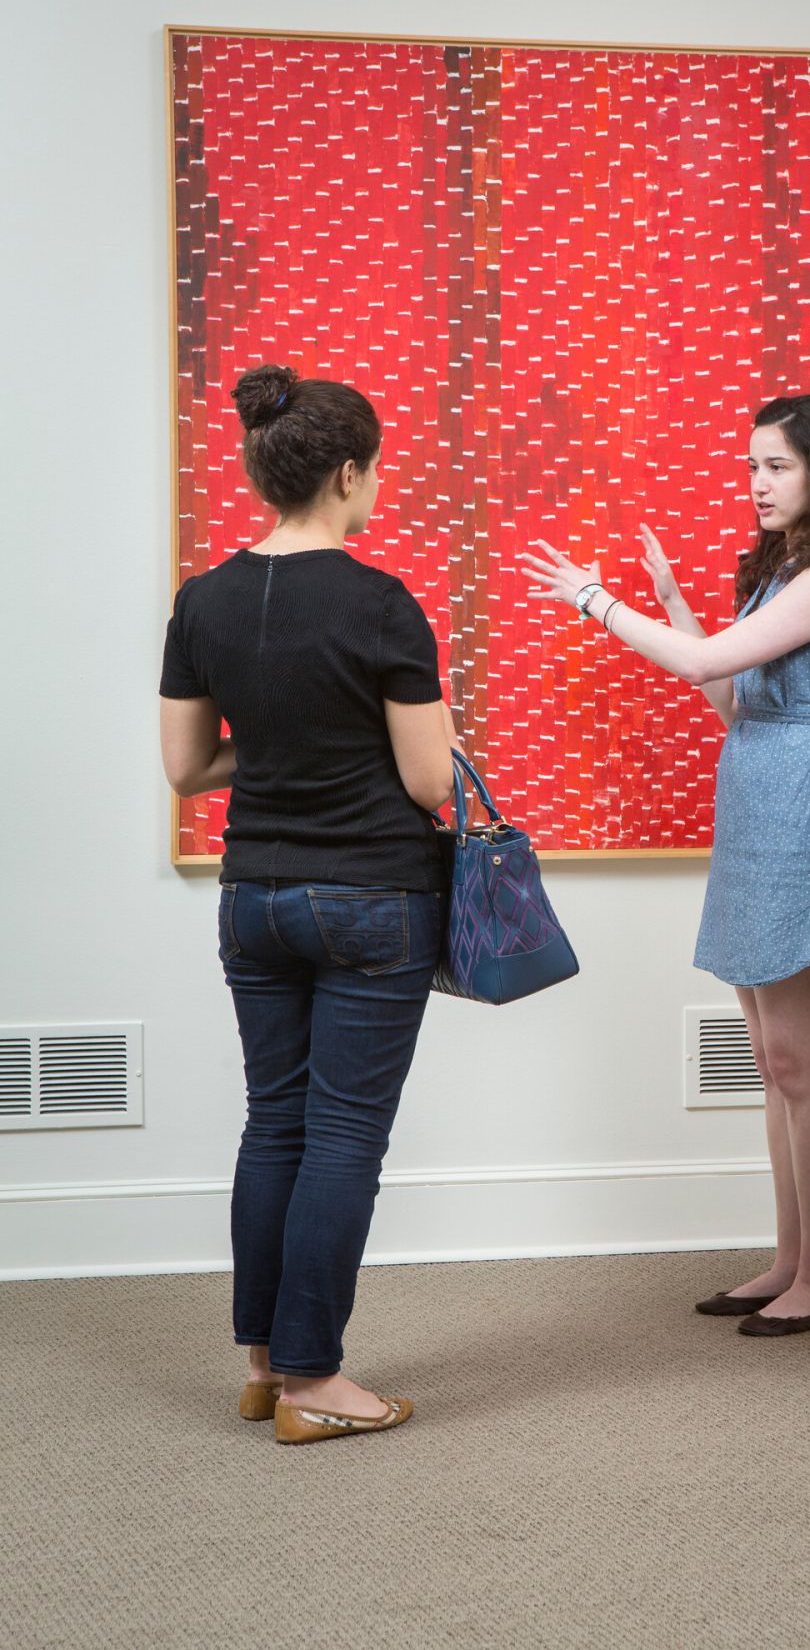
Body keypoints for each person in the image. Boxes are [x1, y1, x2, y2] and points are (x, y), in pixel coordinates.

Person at [520, 396, 810, 1333]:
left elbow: (704, 663)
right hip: (758, 787)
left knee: (798, 1060)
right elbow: (732, 695)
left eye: (775, 466)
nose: (758, 485)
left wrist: (596, 600)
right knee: (772, 1061)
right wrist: (674, 603)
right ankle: (788, 1260)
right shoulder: (787, 572)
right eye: (750, 468)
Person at [159, 364, 456, 1445]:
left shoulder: (204, 599)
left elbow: (189, 770)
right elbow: (430, 785)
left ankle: (260, 1365)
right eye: (371, 471)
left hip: (254, 899)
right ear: (345, 473)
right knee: (342, 1136)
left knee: (273, 1120)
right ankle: (316, 1381)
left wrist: (279, 744)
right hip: (373, 896)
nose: (375, 488)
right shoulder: (382, 604)